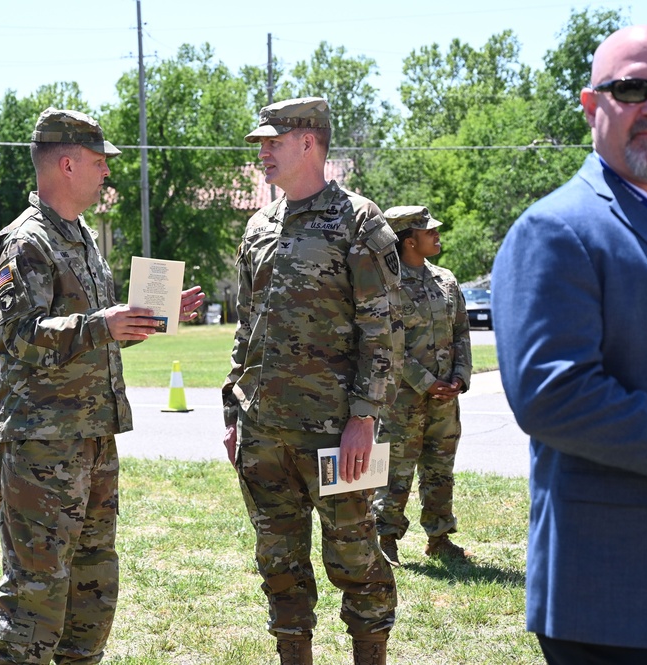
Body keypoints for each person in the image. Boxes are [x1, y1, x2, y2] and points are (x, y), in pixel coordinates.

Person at [492, 25, 647, 664]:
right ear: (593, 105)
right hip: (623, 605)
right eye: (631, 88)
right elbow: (553, 396)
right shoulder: (558, 230)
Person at [0, 107, 204, 665]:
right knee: (36, 595)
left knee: (93, 588)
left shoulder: (81, 238)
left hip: (93, 437)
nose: (108, 173)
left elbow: (95, 334)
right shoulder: (25, 242)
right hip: (42, 443)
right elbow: (19, 337)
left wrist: (149, 318)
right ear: (67, 163)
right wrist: (101, 323)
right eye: (101, 162)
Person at [222, 96, 402, 665]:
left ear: (309, 143)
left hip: (335, 432)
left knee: (354, 558)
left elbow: (384, 329)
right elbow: (246, 330)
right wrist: (235, 414)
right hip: (265, 433)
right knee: (279, 562)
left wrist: (363, 419)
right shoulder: (257, 226)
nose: (263, 153)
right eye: (261, 143)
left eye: (273, 142)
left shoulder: (357, 220)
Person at [372, 206, 472, 566]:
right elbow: (388, 344)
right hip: (403, 399)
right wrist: (427, 383)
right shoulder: (388, 286)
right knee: (395, 472)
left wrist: (460, 376)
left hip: (446, 398)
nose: (436, 235)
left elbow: (461, 331)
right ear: (408, 240)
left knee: (440, 469)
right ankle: (386, 539)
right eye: (428, 231)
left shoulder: (445, 279)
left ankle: (440, 537)